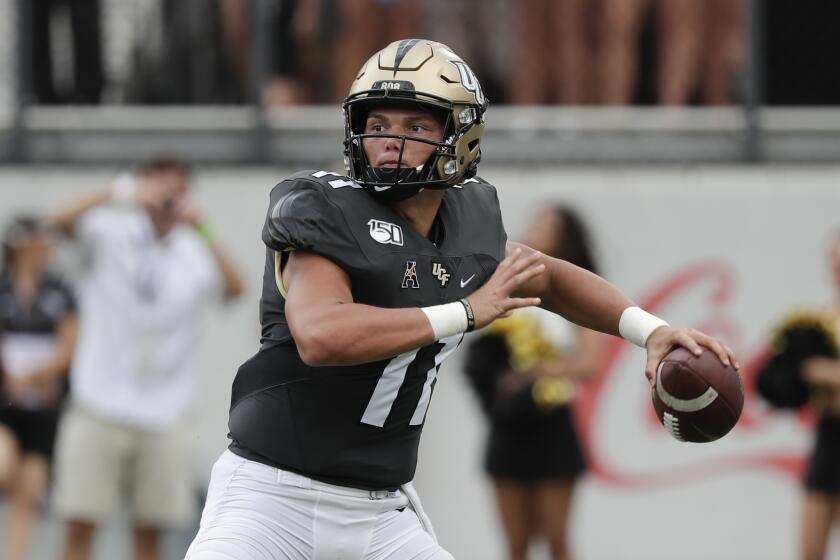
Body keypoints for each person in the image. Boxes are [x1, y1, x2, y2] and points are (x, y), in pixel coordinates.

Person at [184, 39, 739, 560]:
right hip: (270, 500)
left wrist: (650, 330)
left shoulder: (468, 222)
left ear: (460, 135)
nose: (390, 140)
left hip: (379, 513)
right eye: (376, 123)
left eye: (415, 124)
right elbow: (321, 336)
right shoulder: (324, 209)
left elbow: (545, 276)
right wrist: (468, 312)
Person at [47, 158, 245, 560]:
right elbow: (56, 221)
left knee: (150, 533)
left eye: (176, 190)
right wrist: (121, 191)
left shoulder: (194, 249)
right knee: (79, 524)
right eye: (159, 188)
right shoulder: (108, 229)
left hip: (163, 413)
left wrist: (202, 227)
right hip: (97, 403)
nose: (165, 199)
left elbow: (235, 287)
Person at [464, 206, 605, 560]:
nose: (537, 227)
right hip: (508, 423)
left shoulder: (577, 290)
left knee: (556, 539)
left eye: (549, 224)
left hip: (552, 424)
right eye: (536, 220)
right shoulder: (504, 278)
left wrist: (535, 373)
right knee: (516, 543)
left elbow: (590, 362)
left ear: (566, 237)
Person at [757, 233, 840, 560]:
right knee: (809, 550)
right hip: (829, 441)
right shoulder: (821, 322)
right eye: (833, 259)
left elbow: (818, 373)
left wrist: (823, 372)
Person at [0, 216, 78, 560]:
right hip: (6, 404)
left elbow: (69, 343)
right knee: (4, 466)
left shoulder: (59, 291)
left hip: (43, 405)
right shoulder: (3, 289)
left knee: (28, 495)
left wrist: (38, 376)